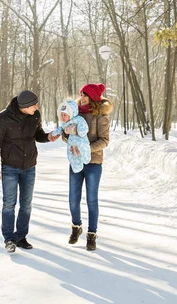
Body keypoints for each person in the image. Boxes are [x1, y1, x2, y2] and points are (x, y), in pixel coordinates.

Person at [0, 90, 59, 253]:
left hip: (29, 166)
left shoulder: (35, 115)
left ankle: (21, 237)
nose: (37, 107)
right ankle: (9, 238)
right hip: (10, 167)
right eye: (34, 104)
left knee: (26, 204)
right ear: (25, 106)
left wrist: (47, 137)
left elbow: (38, 135)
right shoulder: (4, 118)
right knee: (9, 203)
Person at [63, 83, 113, 251]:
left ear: (93, 98)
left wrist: (85, 149)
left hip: (93, 163)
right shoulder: (75, 113)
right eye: (81, 94)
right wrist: (66, 134)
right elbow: (66, 135)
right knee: (73, 199)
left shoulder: (101, 117)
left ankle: (92, 234)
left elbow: (104, 141)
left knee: (92, 199)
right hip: (76, 162)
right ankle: (76, 227)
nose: (82, 98)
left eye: (85, 95)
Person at [51, 99, 91, 173]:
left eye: (65, 115)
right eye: (61, 115)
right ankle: (76, 167)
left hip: (81, 141)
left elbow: (84, 127)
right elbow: (60, 129)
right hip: (72, 143)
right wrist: (54, 133)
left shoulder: (78, 119)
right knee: (71, 154)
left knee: (84, 148)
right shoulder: (65, 124)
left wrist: (80, 131)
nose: (63, 117)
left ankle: (86, 158)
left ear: (71, 113)